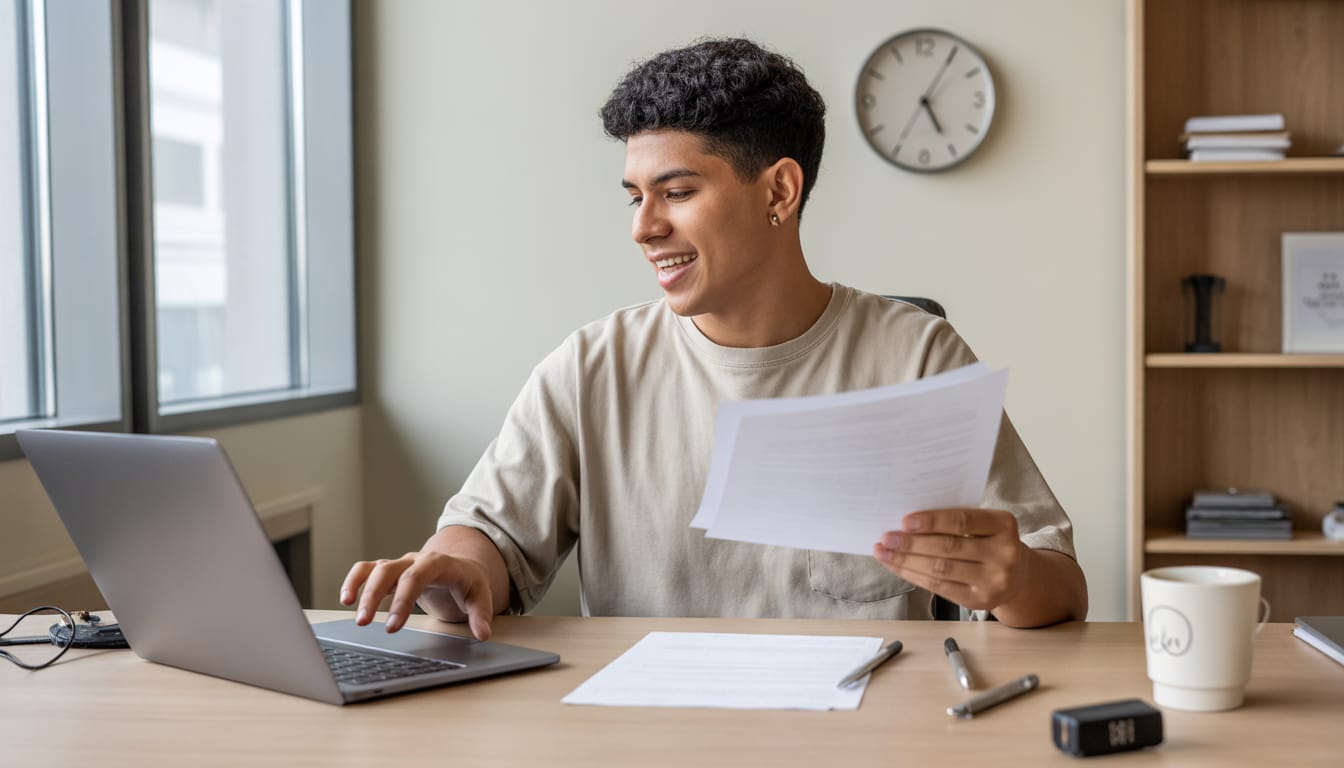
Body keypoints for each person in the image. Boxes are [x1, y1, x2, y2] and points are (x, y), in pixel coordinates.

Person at [342, 37, 1088, 639]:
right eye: (635, 197)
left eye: (677, 192)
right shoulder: (590, 369)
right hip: (647, 735)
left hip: (866, 735)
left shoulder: (917, 355)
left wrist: (1014, 577)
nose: (643, 227)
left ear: (779, 192)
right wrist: (454, 571)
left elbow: (1061, 589)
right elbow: (486, 540)